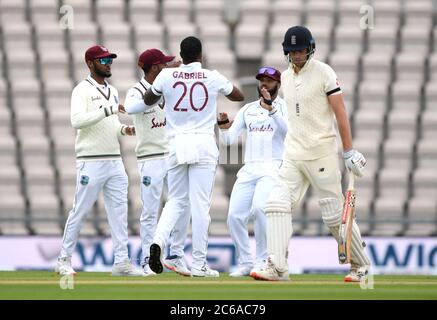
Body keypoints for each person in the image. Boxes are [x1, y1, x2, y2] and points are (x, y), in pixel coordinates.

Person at [252, 26, 370, 282]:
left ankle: (361, 266)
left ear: (310, 49)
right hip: (293, 153)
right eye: (292, 51)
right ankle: (278, 267)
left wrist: (348, 151)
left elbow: (340, 113)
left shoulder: (324, 72)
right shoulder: (284, 77)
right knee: (276, 204)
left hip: (321, 153)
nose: (297, 55)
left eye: (301, 50)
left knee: (333, 215)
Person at [143, 36, 244, 277]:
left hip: (176, 144)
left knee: (176, 201)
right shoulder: (212, 76)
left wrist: (167, 76)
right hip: (202, 143)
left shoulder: (167, 76)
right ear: (200, 55)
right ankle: (199, 264)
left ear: (181, 54)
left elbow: (148, 99)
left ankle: (157, 242)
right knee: (200, 207)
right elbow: (238, 95)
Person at [55, 45, 143, 276]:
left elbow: (112, 125)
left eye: (109, 59)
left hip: (114, 160)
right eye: (103, 60)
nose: (108, 63)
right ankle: (63, 260)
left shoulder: (112, 91)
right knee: (80, 211)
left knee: (119, 212)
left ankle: (121, 263)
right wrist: (108, 110)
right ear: (90, 63)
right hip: (90, 161)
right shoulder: (81, 90)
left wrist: (125, 130)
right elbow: (77, 121)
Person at [124, 48, 191, 276]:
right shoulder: (134, 91)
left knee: (181, 205)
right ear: (154, 67)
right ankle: (147, 260)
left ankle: (176, 255)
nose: (167, 66)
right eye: (163, 64)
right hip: (150, 158)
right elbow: (134, 107)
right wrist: (161, 84)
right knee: (151, 211)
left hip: (172, 155)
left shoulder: (170, 86)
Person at [217, 67, 288, 277]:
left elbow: (289, 134)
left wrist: (271, 109)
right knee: (234, 216)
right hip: (249, 169)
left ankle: (263, 260)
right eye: (262, 80)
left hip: (273, 167)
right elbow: (228, 140)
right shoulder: (248, 109)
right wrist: (222, 126)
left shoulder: (284, 107)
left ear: (278, 84)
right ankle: (246, 262)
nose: (264, 84)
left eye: (269, 80)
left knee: (259, 209)